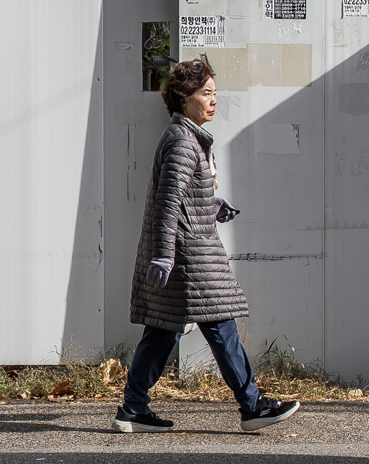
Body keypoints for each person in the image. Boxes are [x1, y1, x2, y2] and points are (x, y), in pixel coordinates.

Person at [113, 55, 299, 433]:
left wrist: (209, 204)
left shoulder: (185, 137)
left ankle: (133, 407)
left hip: (186, 250)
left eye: (215, 93)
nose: (213, 100)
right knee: (220, 326)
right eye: (206, 93)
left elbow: (181, 196)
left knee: (163, 328)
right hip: (190, 256)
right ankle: (251, 405)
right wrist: (164, 255)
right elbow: (167, 202)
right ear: (185, 97)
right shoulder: (183, 142)